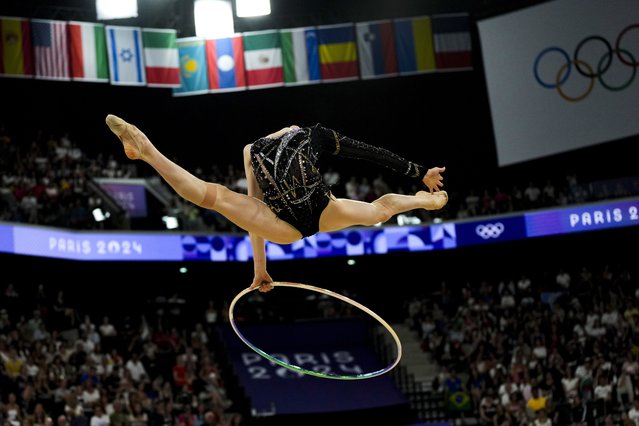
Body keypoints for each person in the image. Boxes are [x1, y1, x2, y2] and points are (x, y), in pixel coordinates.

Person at [105, 114, 448, 291]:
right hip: (320, 210)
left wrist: (259, 268)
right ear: (292, 131)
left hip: (281, 223)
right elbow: (370, 154)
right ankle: (425, 203)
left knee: (215, 196)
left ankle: (148, 151)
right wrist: (419, 172)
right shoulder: (314, 134)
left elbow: (254, 214)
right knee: (379, 212)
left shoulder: (250, 151)